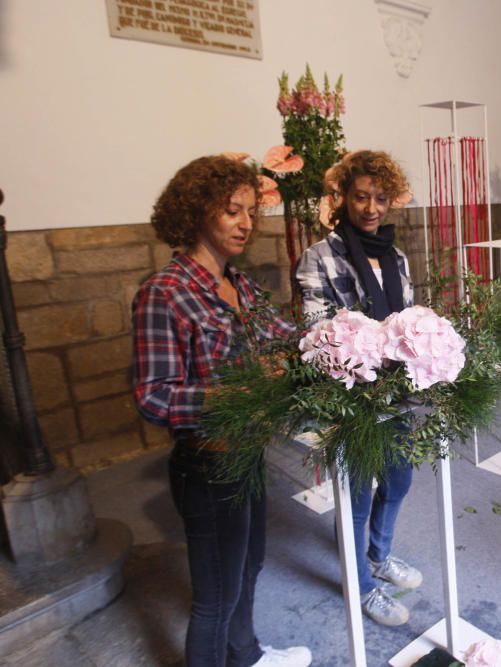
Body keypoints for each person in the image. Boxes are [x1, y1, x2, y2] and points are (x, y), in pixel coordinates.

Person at [132, 155, 312, 667]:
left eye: (251, 211)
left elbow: (286, 338)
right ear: (196, 212)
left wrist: (341, 337)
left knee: (250, 566)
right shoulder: (164, 293)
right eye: (232, 211)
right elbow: (153, 395)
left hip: (248, 453)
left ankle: (247, 655)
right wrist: (237, 390)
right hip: (206, 466)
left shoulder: (243, 286)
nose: (246, 223)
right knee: (214, 598)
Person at [295, 150, 422, 626]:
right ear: (343, 198)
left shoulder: (397, 256)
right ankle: (362, 586)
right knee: (358, 492)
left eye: (380, 198)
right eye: (362, 197)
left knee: (400, 477)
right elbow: (313, 330)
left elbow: (408, 316)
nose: (371, 208)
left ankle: (378, 554)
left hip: (395, 388)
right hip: (347, 389)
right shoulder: (319, 256)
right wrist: (362, 345)